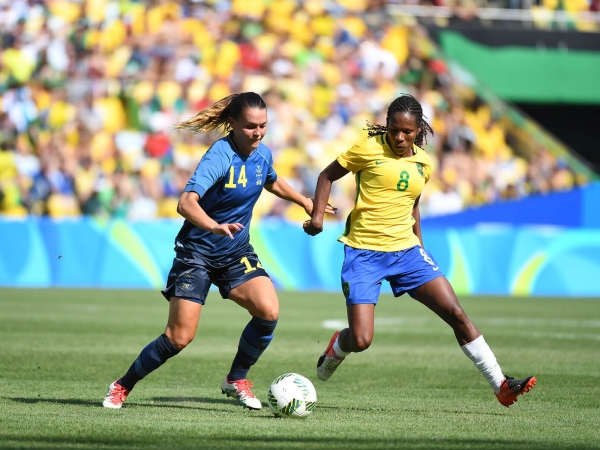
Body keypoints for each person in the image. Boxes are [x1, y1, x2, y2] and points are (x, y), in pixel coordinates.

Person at [103, 92, 335, 410]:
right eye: (250, 126)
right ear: (233, 124)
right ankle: (121, 386)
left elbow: (272, 180)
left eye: (263, 126)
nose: (258, 132)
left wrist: (306, 202)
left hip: (234, 251)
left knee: (268, 311)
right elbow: (185, 203)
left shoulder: (262, 153)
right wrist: (213, 226)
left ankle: (235, 379)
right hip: (197, 252)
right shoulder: (219, 156)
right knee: (178, 337)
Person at [303, 93, 536, 408]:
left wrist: (421, 249)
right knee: (361, 339)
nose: (399, 137)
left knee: (456, 313)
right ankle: (337, 348)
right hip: (364, 252)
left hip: (408, 252)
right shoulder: (367, 149)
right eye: (394, 129)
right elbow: (326, 175)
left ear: (419, 130)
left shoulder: (424, 164)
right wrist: (317, 216)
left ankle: (501, 385)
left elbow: (412, 207)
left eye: (407, 131)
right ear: (386, 125)